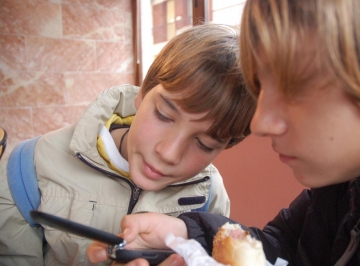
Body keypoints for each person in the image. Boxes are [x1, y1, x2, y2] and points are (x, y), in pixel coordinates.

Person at [87, 0, 360, 265]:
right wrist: (186, 235)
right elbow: (281, 248)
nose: (259, 123)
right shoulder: (343, 187)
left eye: (297, 87)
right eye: (261, 86)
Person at [0, 23, 256, 266]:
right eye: (164, 116)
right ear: (143, 92)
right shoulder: (26, 171)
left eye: (204, 143)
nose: (168, 154)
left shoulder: (210, 194)